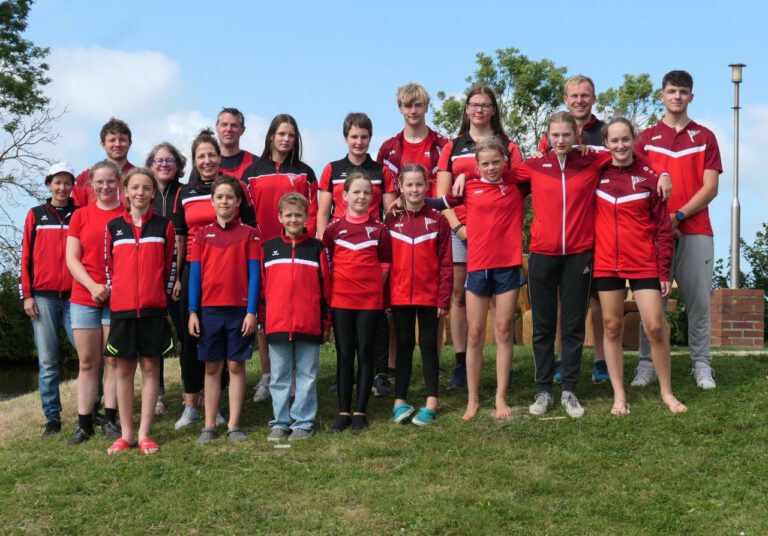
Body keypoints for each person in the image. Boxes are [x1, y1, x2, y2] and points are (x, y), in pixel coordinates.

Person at [497, 111, 668, 418]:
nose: (561, 140)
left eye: (567, 135)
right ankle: (543, 390)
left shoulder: (592, 161)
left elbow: (629, 154)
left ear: (577, 136)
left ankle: (570, 390)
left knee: (574, 325)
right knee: (544, 325)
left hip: (579, 255)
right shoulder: (535, 165)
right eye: (555, 135)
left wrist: (663, 173)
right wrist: (460, 181)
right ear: (547, 137)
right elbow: (497, 174)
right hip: (542, 254)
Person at [632, 70, 722, 390]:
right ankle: (646, 365)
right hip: (654, 234)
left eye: (683, 92)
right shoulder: (645, 138)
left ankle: (702, 364)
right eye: (671, 91)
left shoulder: (706, 137)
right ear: (662, 95)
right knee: (651, 301)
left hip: (696, 229)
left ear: (691, 97)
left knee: (698, 301)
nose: (677, 97)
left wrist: (678, 216)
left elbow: (710, 188)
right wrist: (661, 223)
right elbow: (639, 187)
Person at [594, 118, 687, 415]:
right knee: (611, 327)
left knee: (656, 327)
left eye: (625, 139)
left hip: (644, 262)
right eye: (614, 140)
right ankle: (619, 395)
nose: (620, 146)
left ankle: (667, 393)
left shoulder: (650, 176)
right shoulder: (596, 172)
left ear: (634, 139)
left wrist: (663, 271)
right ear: (605, 143)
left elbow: (662, 228)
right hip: (606, 262)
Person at [436, 84, 523, 391]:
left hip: (497, 238)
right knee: (460, 296)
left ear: (493, 110)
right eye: (474, 104)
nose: (479, 110)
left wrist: (469, 173)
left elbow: (514, 178)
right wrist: (459, 228)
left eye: (486, 105)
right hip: (461, 231)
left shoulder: (508, 146)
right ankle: (462, 365)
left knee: (498, 307)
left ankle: (502, 369)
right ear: (467, 109)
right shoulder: (452, 146)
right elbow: (442, 195)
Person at [172, 129, 255, 430]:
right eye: (200, 156)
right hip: (194, 270)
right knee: (192, 341)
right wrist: (179, 276)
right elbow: (180, 238)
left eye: (211, 154)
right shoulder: (185, 191)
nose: (206, 160)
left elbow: (249, 226)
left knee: (224, 345)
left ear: (220, 157)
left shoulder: (235, 188)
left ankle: (216, 408)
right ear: (194, 161)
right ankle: (190, 405)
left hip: (230, 271)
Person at [317, 112, 396, 397]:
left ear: (370, 138)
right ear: (346, 138)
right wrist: (322, 251)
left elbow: (389, 212)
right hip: (342, 248)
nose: (359, 142)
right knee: (346, 320)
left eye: (364, 137)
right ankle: (346, 376)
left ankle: (380, 374)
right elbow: (323, 214)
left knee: (377, 318)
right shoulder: (331, 169)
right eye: (354, 137)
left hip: (373, 248)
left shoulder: (381, 171)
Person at [377, 83, 449, 389]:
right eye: (408, 106)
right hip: (402, 222)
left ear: (426, 107)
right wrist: (397, 211)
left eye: (418, 105)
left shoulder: (441, 144)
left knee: (438, 298)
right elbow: (388, 193)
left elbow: (444, 186)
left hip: (434, 223)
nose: (413, 111)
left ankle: (437, 367)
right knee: (399, 302)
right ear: (400, 109)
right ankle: (393, 366)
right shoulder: (389, 147)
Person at [242, 114, 319, 403]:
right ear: (271, 136)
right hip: (263, 252)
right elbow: (246, 214)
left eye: (291, 135)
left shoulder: (304, 172)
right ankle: (268, 376)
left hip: (297, 251)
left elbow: (311, 211)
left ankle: (298, 380)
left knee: (297, 311)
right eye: (281, 133)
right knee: (267, 314)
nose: (286, 139)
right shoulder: (252, 172)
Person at [539, 75, 610, 384]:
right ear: (566, 99)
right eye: (574, 95)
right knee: (559, 301)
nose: (579, 99)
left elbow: (626, 155)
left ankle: (601, 360)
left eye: (585, 95)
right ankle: (558, 361)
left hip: (597, 227)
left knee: (594, 299)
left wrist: (658, 172)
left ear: (593, 98)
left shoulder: (604, 132)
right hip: (559, 235)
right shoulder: (552, 135)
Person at [104, 168, 176, 454]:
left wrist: (160, 295)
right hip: (122, 310)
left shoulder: (164, 226)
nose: (140, 193)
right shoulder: (113, 227)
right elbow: (109, 267)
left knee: (150, 368)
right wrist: (119, 295)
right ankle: (126, 434)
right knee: (123, 370)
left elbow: (169, 266)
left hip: (152, 309)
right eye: (135, 187)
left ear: (153, 193)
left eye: (146, 188)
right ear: (126, 192)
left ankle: (145, 434)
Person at [188, 175, 261, 444]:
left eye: (230, 197)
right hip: (209, 311)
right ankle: (209, 424)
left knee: (235, 364)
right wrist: (193, 310)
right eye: (219, 197)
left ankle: (233, 424)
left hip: (240, 311)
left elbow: (255, 275)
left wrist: (252, 311)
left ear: (238, 202)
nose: (224, 201)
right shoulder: (201, 235)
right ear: (212, 201)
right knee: (211, 366)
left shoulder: (249, 234)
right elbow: (195, 276)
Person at [323, 171, 392, 433]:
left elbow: (385, 263)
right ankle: (343, 412)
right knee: (344, 354)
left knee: (365, 352)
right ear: (345, 196)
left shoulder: (379, 229)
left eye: (366, 192)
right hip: (341, 299)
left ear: (373, 197)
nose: (361, 196)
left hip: (369, 302)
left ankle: (360, 411)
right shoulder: (333, 229)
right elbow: (326, 261)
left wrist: (373, 288)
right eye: (356, 192)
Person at [385, 164, 452, 426]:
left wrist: (443, 297)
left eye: (419, 184)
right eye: (409, 184)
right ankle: (399, 401)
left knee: (428, 346)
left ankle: (431, 401)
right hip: (399, 295)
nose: (414, 189)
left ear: (427, 186)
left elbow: (446, 263)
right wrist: (386, 297)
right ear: (400, 186)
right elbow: (384, 261)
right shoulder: (391, 220)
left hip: (429, 296)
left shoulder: (438, 220)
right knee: (402, 347)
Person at [65, 160, 125, 444]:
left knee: (113, 360)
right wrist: (92, 286)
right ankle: (84, 422)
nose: (104, 187)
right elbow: (71, 258)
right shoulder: (80, 216)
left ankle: (110, 419)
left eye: (110, 182)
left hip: (117, 299)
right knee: (88, 362)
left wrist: (113, 288)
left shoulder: (128, 214)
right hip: (84, 297)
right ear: (90, 185)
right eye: (99, 182)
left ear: (119, 183)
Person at [262, 193, 330, 440]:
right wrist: (263, 319)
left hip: (308, 323)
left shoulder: (317, 248)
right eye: (288, 215)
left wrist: (325, 322)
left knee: (307, 375)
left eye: (298, 215)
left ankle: (303, 421)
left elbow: (326, 288)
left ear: (306, 217)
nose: (293, 219)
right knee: (279, 376)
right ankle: (280, 421)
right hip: (277, 324)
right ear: (280, 217)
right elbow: (261, 287)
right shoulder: (268, 248)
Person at [21, 162, 78, 437]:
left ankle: (94, 410)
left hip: (76, 297)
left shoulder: (81, 214)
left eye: (67, 182)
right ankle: (53, 418)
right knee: (48, 361)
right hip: (42, 297)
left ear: (72, 186)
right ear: (49, 185)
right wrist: (27, 294)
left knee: (89, 355)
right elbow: (26, 257)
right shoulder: (36, 215)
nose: (63, 187)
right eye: (58, 182)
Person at [146, 142, 187, 415]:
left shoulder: (184, 192)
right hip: (149, 275)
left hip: (179, 274)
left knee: (185, 334)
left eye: (169, 160)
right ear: (150, 165)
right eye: (158, 160)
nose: (164, 164)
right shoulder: (143, 193)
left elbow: (184, 235)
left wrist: (178, 276)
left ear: (178, 165)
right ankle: (158, 393)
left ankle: (190, 389)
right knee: (154, 337)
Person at [72, 118, 134, 206]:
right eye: (112, 140)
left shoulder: (139, 177)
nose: (117, 144)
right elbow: (76, 212)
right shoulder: (85, 177)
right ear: (103, 144)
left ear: (130, 143)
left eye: (122, 140)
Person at [188, 107, 258, 185]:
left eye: (234, 125)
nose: (228, 129)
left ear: (242, 130)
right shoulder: (203, 165)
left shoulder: (256, 163)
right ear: (217, 127)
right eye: (224, 125)